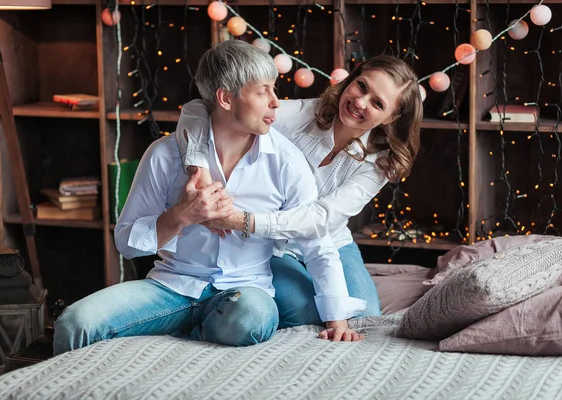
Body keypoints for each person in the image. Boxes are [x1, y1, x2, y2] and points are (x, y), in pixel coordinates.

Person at [52, 40, 366, 356]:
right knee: (75, 322)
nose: (275, 102)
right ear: (226, 98)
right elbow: (125, 242)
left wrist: (337, 320)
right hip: (170, 288)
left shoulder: (287, 161)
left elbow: (317, 243)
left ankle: (196, 333)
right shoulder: (164, 155)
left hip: (244, 292)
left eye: (275, 89)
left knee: (252, 318)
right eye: (263, 91)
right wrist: (181, 215)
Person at [176, 54, 423, 328]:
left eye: (378, 104)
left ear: (393, 117)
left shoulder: (382, 161)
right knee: (307, 313)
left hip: (328, 241)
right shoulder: (298, 115)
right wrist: (200, 171)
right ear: (352, 79)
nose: (360, 103)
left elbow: (320, 218)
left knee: (365, 318)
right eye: (362, 86)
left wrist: (241, 220)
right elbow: (198, 109)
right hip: (268, 244)